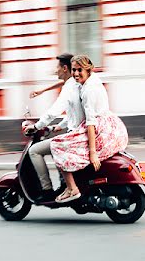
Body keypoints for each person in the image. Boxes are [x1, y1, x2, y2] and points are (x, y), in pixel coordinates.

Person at [51, 55, 128, 203]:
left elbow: (90, 122)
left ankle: (72, 189)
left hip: (99, 130)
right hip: (110, 126)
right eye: (74, 70)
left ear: (88, 69)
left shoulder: (88, 90)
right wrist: (61, 125)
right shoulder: (91, 80)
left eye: (80, 70)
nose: (76, 73)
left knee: (57, 145)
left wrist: (93, 153)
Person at [21, 53, 84, 193]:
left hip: (75, 136)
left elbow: (54, 111)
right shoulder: (75, 84)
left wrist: (36, 126)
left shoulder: (69, 89)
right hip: (78, 132)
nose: (56, 70)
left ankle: (47, 189)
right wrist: (59, 126)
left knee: (34, 151)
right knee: (54, 145)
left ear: (65, 68)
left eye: (58, 67)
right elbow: (75, 113)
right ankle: (63, 183)